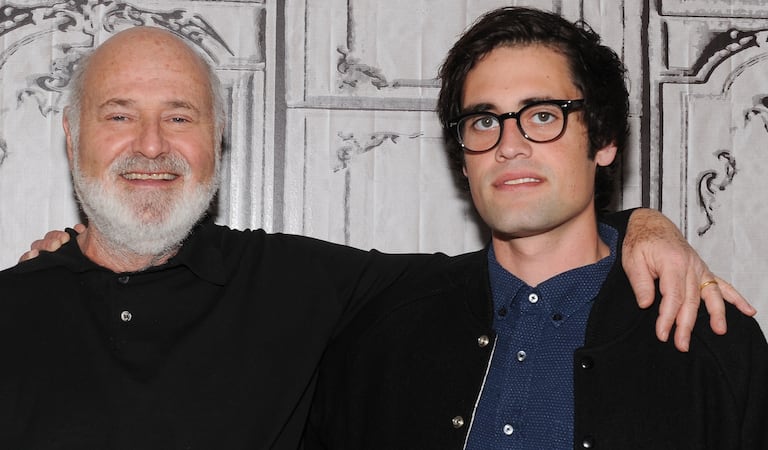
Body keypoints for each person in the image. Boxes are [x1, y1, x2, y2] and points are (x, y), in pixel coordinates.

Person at [0, 24, 751, 449]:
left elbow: (549, 232)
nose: (150, 145)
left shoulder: (317, 290)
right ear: (71, 136)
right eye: (118, 116)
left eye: (180, 116)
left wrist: (648, 225)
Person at [303, 7, 768, 449]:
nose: (509, 145)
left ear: (604, 140)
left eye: (543, 115)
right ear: (463, 159)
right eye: (484, 121)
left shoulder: (707, 340)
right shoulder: (385, 333)